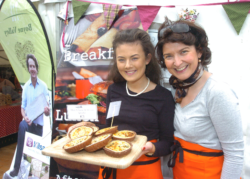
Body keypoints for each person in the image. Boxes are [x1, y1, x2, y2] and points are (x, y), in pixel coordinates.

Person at [68, 28, 175, 179]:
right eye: (121, 59)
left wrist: (152, 148)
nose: (127, 65)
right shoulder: (113, 90)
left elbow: (169, 143)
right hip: (110, 167)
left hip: (143, 170)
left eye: (134, 58)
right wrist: (90, 128)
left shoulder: (162, 97)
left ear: (147, 58)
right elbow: (110, 128)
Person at [156, 18, 244, 179]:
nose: (177, 62)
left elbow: (235, 155)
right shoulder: (178, 88)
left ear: (199, 51)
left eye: (184, 52)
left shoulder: (217, 92)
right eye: (168, 56)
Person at [9, 54, 50, 177]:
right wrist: (25, 117)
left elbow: (47, 110)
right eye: (30, 66)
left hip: (39, 126)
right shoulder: (26, 87)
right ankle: (16, 168)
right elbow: (23, 107)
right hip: (28, 123)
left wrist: (47, 111)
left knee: (35, 155)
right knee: (22, 126)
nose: (32, 69)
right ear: (28, 68)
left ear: (37, 68)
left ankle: (34, 174)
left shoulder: (43, 86)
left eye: (34, 66)